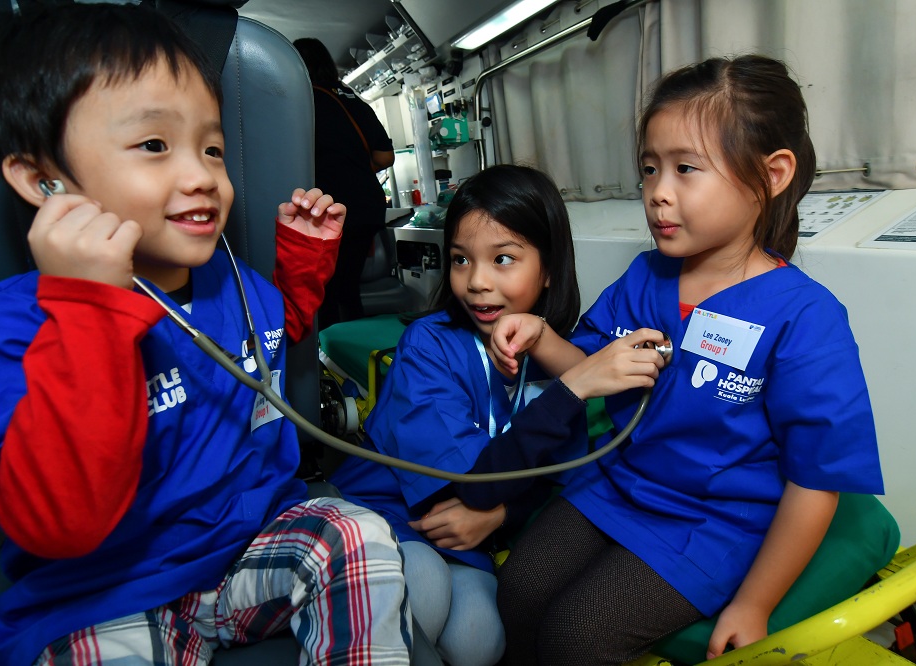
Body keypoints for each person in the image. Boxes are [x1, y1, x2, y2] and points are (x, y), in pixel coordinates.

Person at [0, 5, 411, 665]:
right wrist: (89, 312)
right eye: (154, 145)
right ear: (44, 180)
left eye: (212, 148)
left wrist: (304, 260)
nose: (202, 174)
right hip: (110, 590)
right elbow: (59, 521)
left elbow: (271, 338)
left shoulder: (232, 284)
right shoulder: (11, 326)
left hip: (245, 554)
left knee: (353, 531)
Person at [491, 55, 885, 664]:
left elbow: (815, 482)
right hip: (617, 486)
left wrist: (753, 604)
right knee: (516, 588)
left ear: (773, 173)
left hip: (713, 526)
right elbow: (590, 366)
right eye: (649, 169)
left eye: (685, 169)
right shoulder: (645, 277)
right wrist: (539, 335)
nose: (657, 194)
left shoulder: (805, 318)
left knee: (577, 634)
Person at [330, 164, 589, 665]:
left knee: (479, 642)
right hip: (389, 512)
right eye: (461, 260)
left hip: (471, 531)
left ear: (550, 268)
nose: (477, 282)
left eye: (504, 259)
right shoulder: (428, 344)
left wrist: (498, 515)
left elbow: (559, 478)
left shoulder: (555, 358)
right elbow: (469, 480)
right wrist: (488, 507)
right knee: (421, 589)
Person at [293, 37, 396, 329]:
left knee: (326, 290)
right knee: (347, 287)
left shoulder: (301, 101)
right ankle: (350, 345)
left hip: (329, 212)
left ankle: (328, 354)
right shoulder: (351, 98)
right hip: (367, 207)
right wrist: (357, 169)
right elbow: (385, 156)